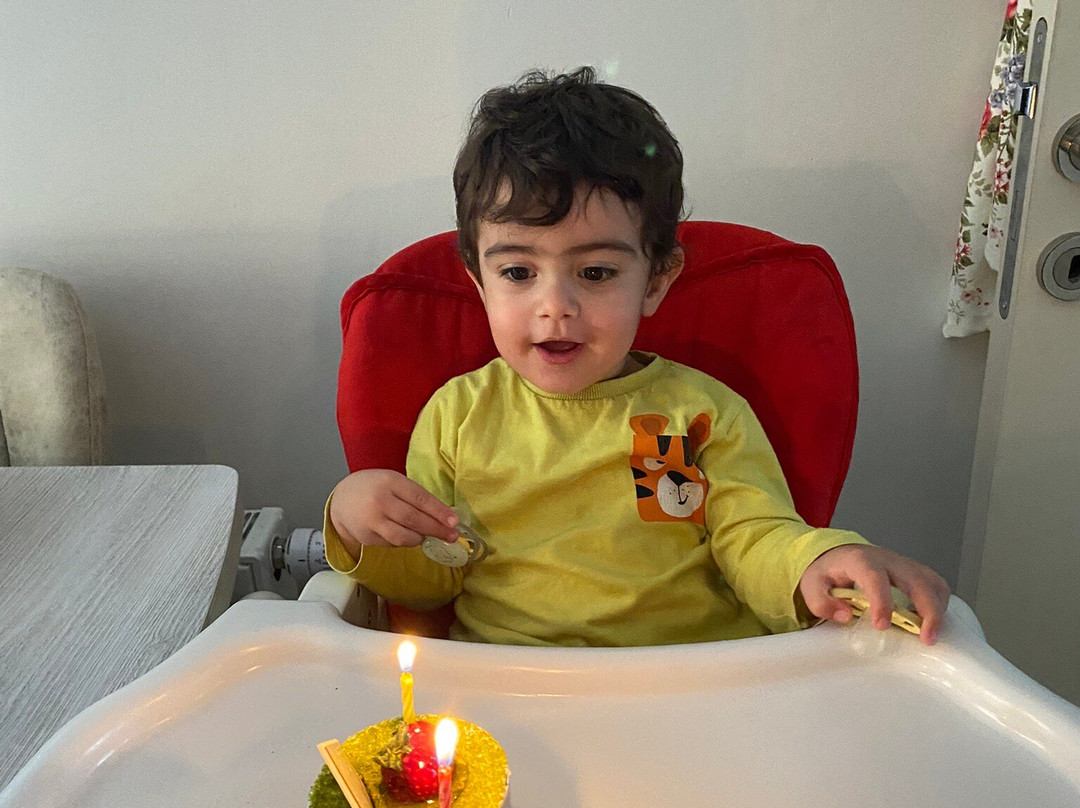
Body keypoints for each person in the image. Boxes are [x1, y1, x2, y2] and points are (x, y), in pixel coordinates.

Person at [323, 66, 950, 647]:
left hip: (691, 682)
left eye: (595, 272)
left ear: (656, 281)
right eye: (518, 272)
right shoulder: (458, 415)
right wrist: (358, 524)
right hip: (510, 686)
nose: (555, 307)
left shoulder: (696, 414)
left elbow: (755, 538)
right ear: (478, 282)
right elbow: (432, 579)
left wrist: (817, 561)